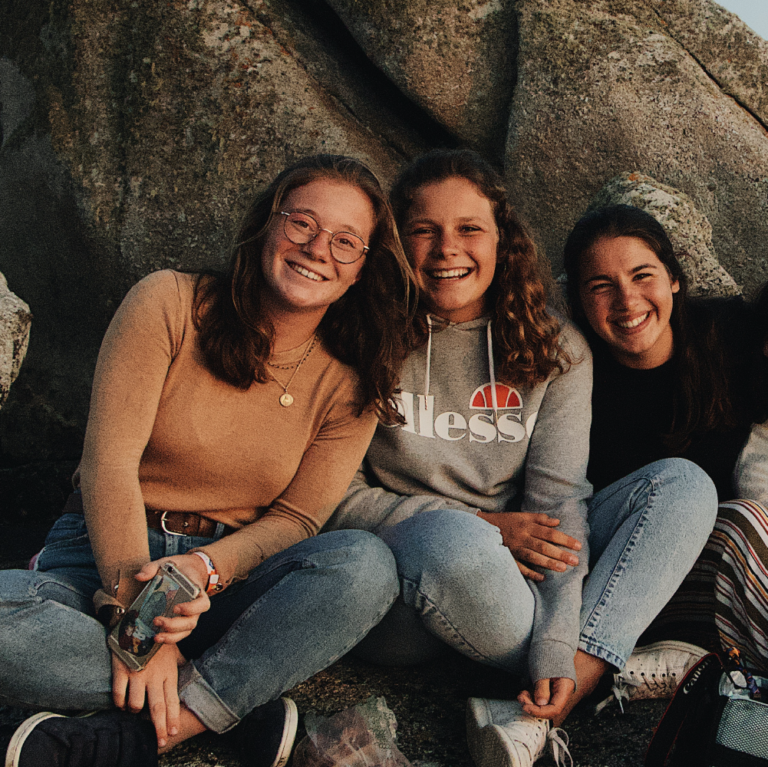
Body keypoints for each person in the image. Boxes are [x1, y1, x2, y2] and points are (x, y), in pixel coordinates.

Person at [0, 155, 412, 767]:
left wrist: (203, 570)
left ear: (362, 269)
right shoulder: (169, 301)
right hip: (98, 559)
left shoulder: (355, 376)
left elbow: (299, 520)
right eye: (302, 222)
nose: (318, 248)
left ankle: (133, 736)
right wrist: (141, 628)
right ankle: (231, 708)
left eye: (346, 242)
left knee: (364, 565)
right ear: (267, 225)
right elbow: (109, 464)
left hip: (223, 582)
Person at [325, 150, 717, 767]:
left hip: (523, 579)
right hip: (414, 579)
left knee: (684, 486)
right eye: (423, 230)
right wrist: (488, 527)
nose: (446, 249)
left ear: (502, 240)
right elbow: (335, 500)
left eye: (469, 229)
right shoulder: (360, 336)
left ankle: (566, 684)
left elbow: (558, 505)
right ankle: (605, 662)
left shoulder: (553, 346)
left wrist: (559, 643)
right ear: (397, 244)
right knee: (450, 539)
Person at [563, 204, 768, 688]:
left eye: (642, 276)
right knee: (742, 518)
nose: (627, 301)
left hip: (719, 580)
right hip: (617, 572)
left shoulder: (725, 334)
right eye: (601, 286)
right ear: (577, 299)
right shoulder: (573, 371)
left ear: (673, 278)